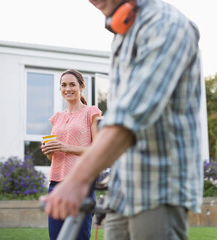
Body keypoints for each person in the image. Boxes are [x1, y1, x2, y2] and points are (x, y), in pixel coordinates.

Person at [41, 0, 203, 239]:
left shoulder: (164, 24)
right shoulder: (123, 33)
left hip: (158, 187)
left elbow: (129, 116)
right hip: (121, 190)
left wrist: (77, 180)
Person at [41, 69, 102, 240]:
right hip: (56, 185)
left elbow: (99, 149)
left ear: (82, 86)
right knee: (56, 237)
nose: (68, 88)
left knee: (78, 237)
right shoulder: (57, 117)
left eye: (72, 84)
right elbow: (52, 158)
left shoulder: (92, 112)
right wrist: (49, 150)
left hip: (81, 184)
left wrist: (66, 147)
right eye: (64, 85)